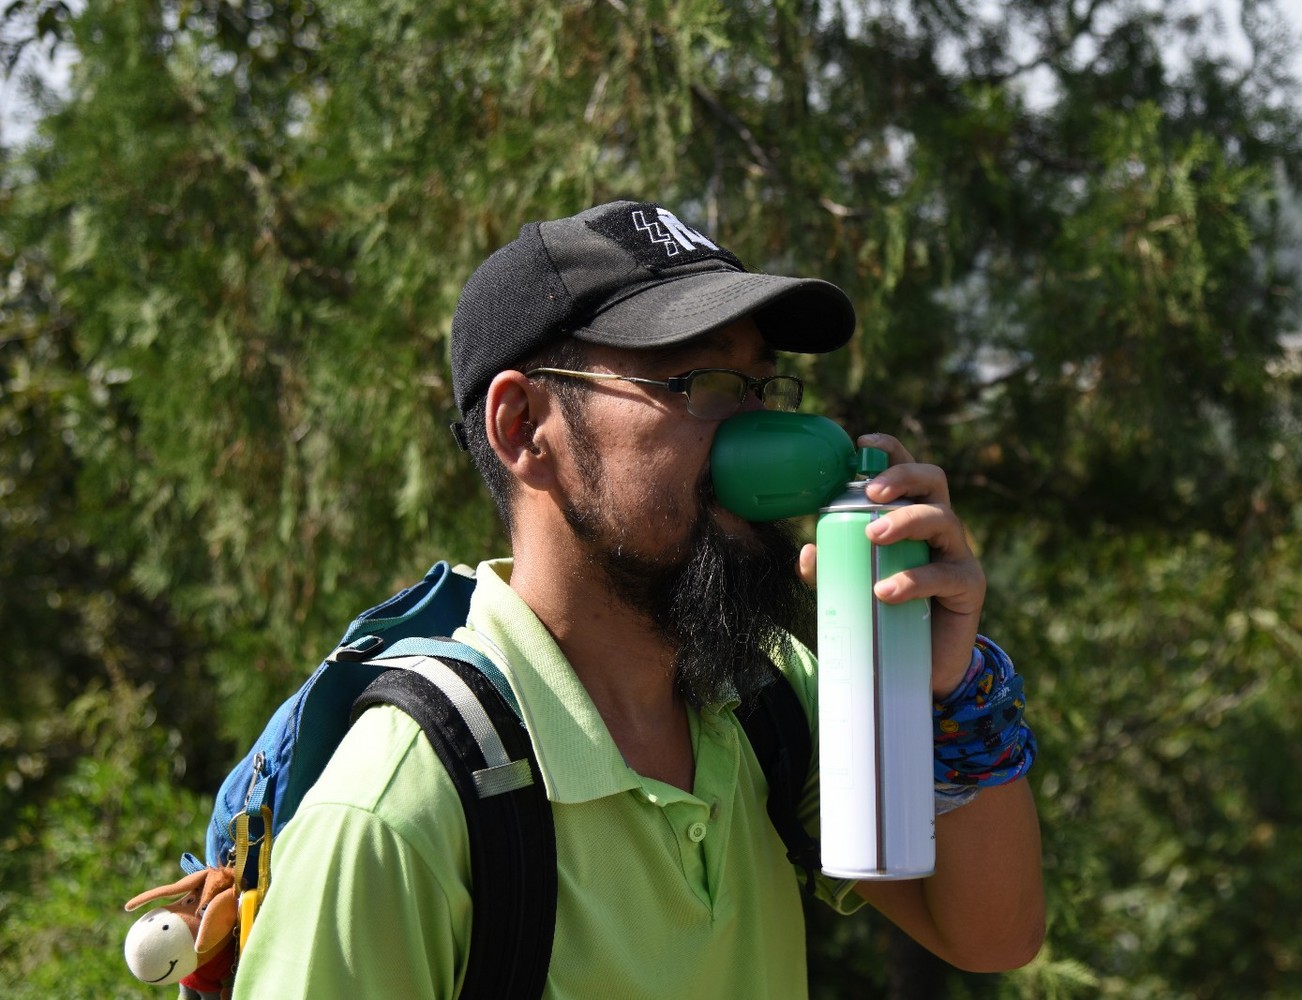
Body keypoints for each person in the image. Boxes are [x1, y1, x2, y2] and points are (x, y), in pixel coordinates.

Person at [233, 201, 1045, 998]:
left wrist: (951, 686)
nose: (754, 432)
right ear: (524, 427)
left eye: (762, 389)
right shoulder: (398, 812)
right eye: (704, 385)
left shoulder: (766, 697)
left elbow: (990, 935)